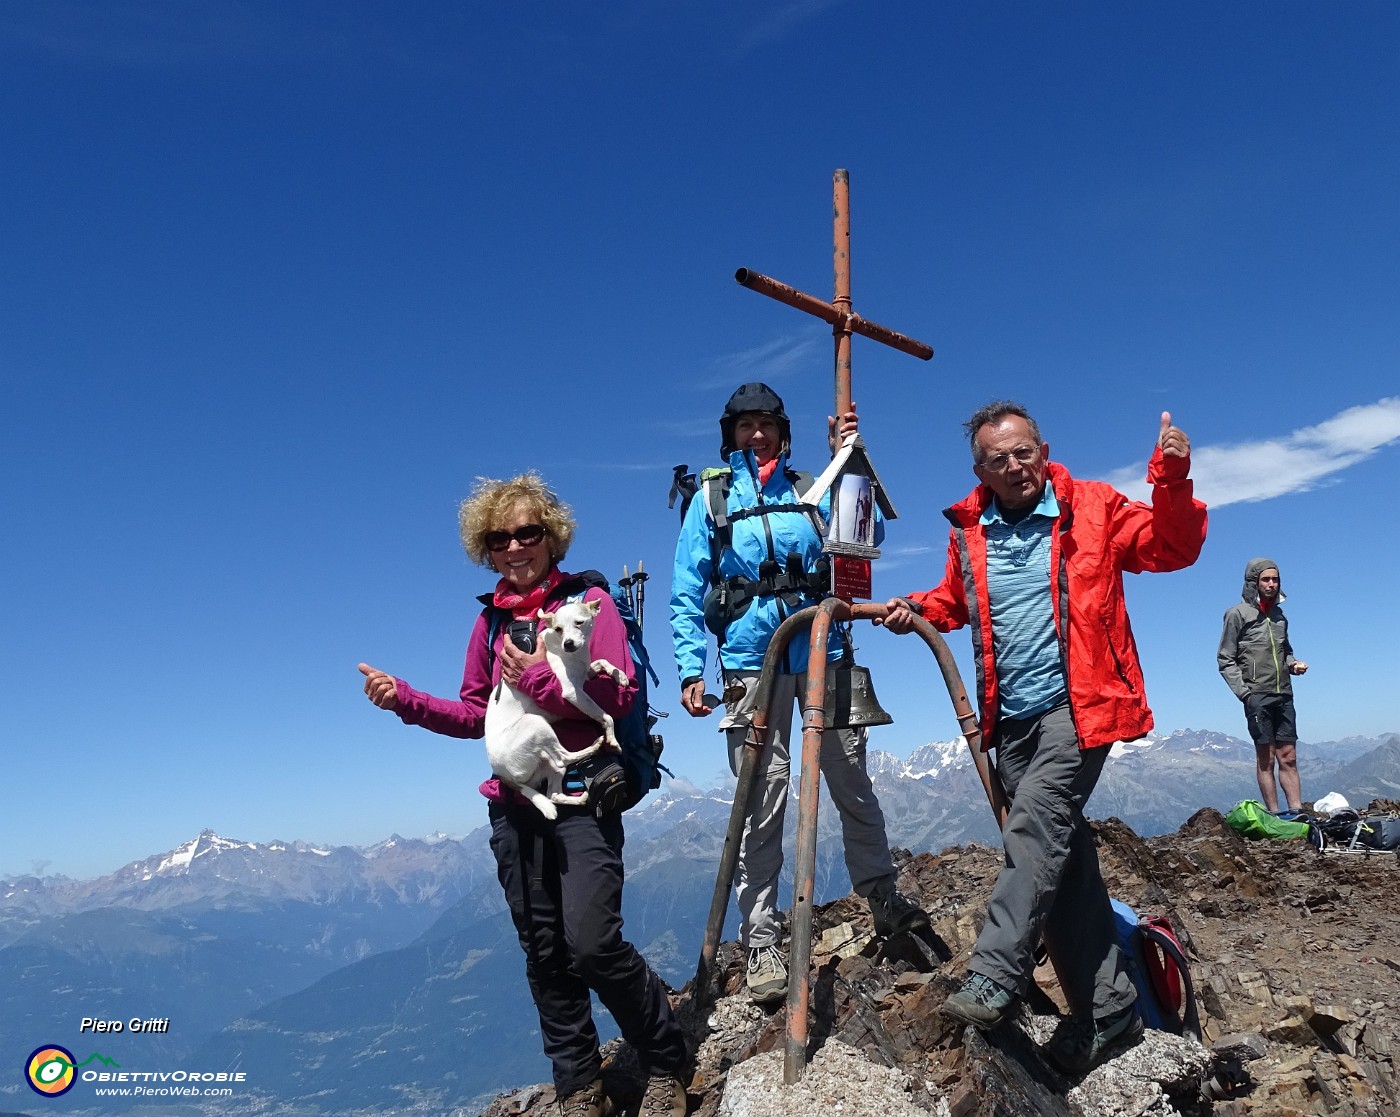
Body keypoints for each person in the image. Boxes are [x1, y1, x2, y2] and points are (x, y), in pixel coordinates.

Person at [880, 401, 1207, 1075]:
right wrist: (918, 608)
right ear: (981, 469)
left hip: (1081, 705)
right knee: (1063, 858)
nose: (1014, 466)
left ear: (1044, 448)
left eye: (1023, 451)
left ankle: (995, 974)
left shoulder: (1093, 506)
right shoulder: (970, 528)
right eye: (998, 458)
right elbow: (958, 599)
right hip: (1013, 720)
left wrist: (1171, 477)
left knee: (1033, 826)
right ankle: (1110, 1012)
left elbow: (1172, 548)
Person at [357, 473, 686, 1117]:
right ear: (487, 548)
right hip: (515, 804)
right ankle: (579, 1085)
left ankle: (667, 1060)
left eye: (526, 532)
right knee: (545, 951)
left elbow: (618, 698)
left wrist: (537, 673)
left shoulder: (590, 604)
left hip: (584, 796)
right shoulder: (488, 624)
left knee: (592, 943)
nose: (514, 546)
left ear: (550, 537)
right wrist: (405, 700)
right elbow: (478, 716)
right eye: (499, 537)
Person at [670, 381, 928, 1007]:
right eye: (744, 425)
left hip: (822, 653)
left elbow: (864, 540)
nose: (756, 433)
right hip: (747, 662)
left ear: (785, 433)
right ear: (730, 435)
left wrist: (851, 462)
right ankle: (762, 937)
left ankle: (884, 899)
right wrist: (689, 668)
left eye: (766, 424)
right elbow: (686, 588)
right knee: (764, 794)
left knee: (850, 781)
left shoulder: (816, 490)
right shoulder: (711, 500)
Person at [1217, 558, 1309, 815]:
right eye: (1266, 579)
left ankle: (1296, 812)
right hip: (1257, 695)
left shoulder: (1280, 617)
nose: (1271, 584)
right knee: (1266, 759)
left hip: (1284, 692)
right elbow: (1225, 658)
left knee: (1288, 756)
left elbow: (1285, 652)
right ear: (1253, 582)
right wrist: (1245, 694)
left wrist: (1292, 664)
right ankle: (1276, 813)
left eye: (1275, 579)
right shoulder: (1237, 614)